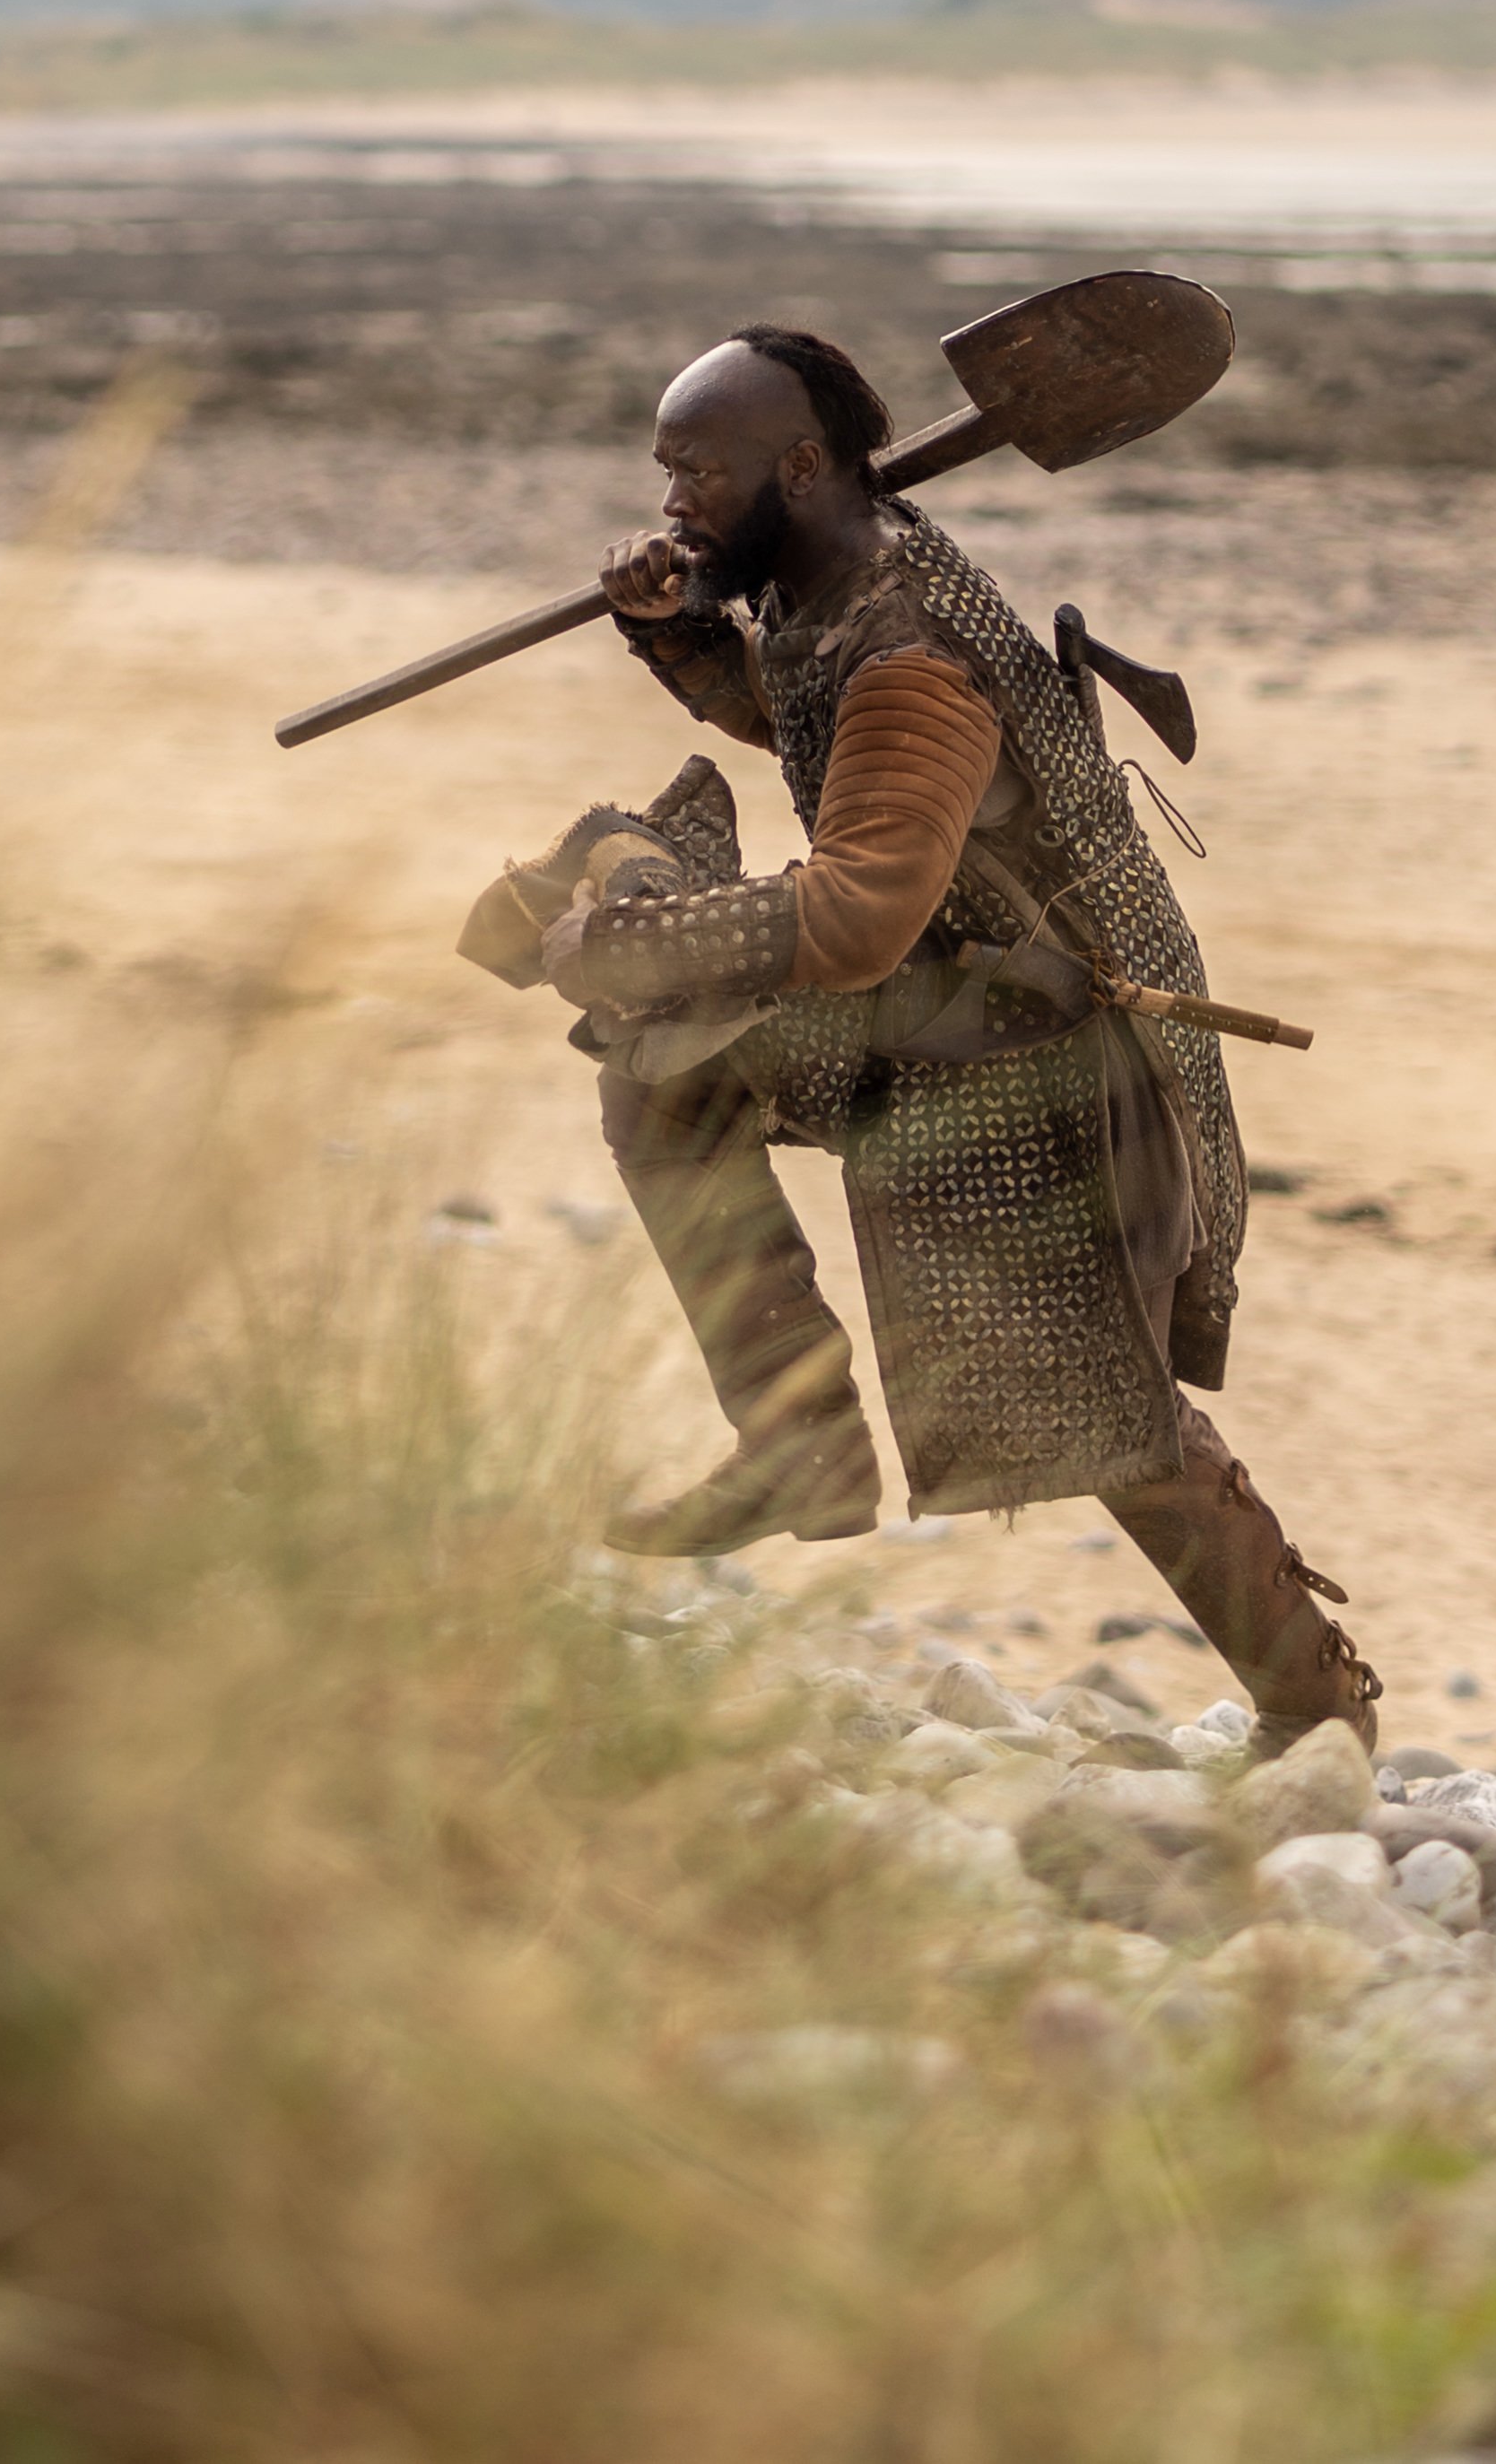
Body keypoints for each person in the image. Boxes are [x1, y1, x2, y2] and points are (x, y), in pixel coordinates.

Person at [535, 326, 1380, 1752]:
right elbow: (801, 719)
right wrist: (676, 628)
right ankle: (798, 1434)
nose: (672, 502)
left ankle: (1314, 1702)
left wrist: (635, 942)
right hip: (950, 1001)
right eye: (665, 472)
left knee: (1103, 1400)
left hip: (1038, 1047)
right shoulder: (839, 580)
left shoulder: (911, 653)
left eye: (700, 473)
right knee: (663, 1078)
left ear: (799, 469)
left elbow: (861, 907)